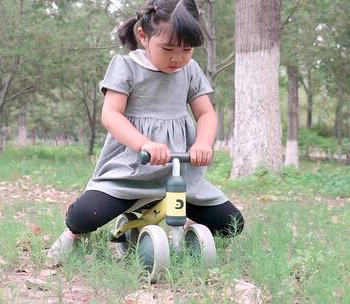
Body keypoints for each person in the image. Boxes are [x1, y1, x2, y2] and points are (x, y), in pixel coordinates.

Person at [47, 0, 244, 262]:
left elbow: (206, 113)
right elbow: (111, 114)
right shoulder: (126, 67)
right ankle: (73, 235)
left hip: (177, 171)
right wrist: (144, 144)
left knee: (232, 223)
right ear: (143, 36)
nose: (178, 57)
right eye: (168, 48)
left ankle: (188, 227)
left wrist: (203, 143)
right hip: (131, 168)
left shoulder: (190, 70)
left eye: (187, 49)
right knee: (85, 216)